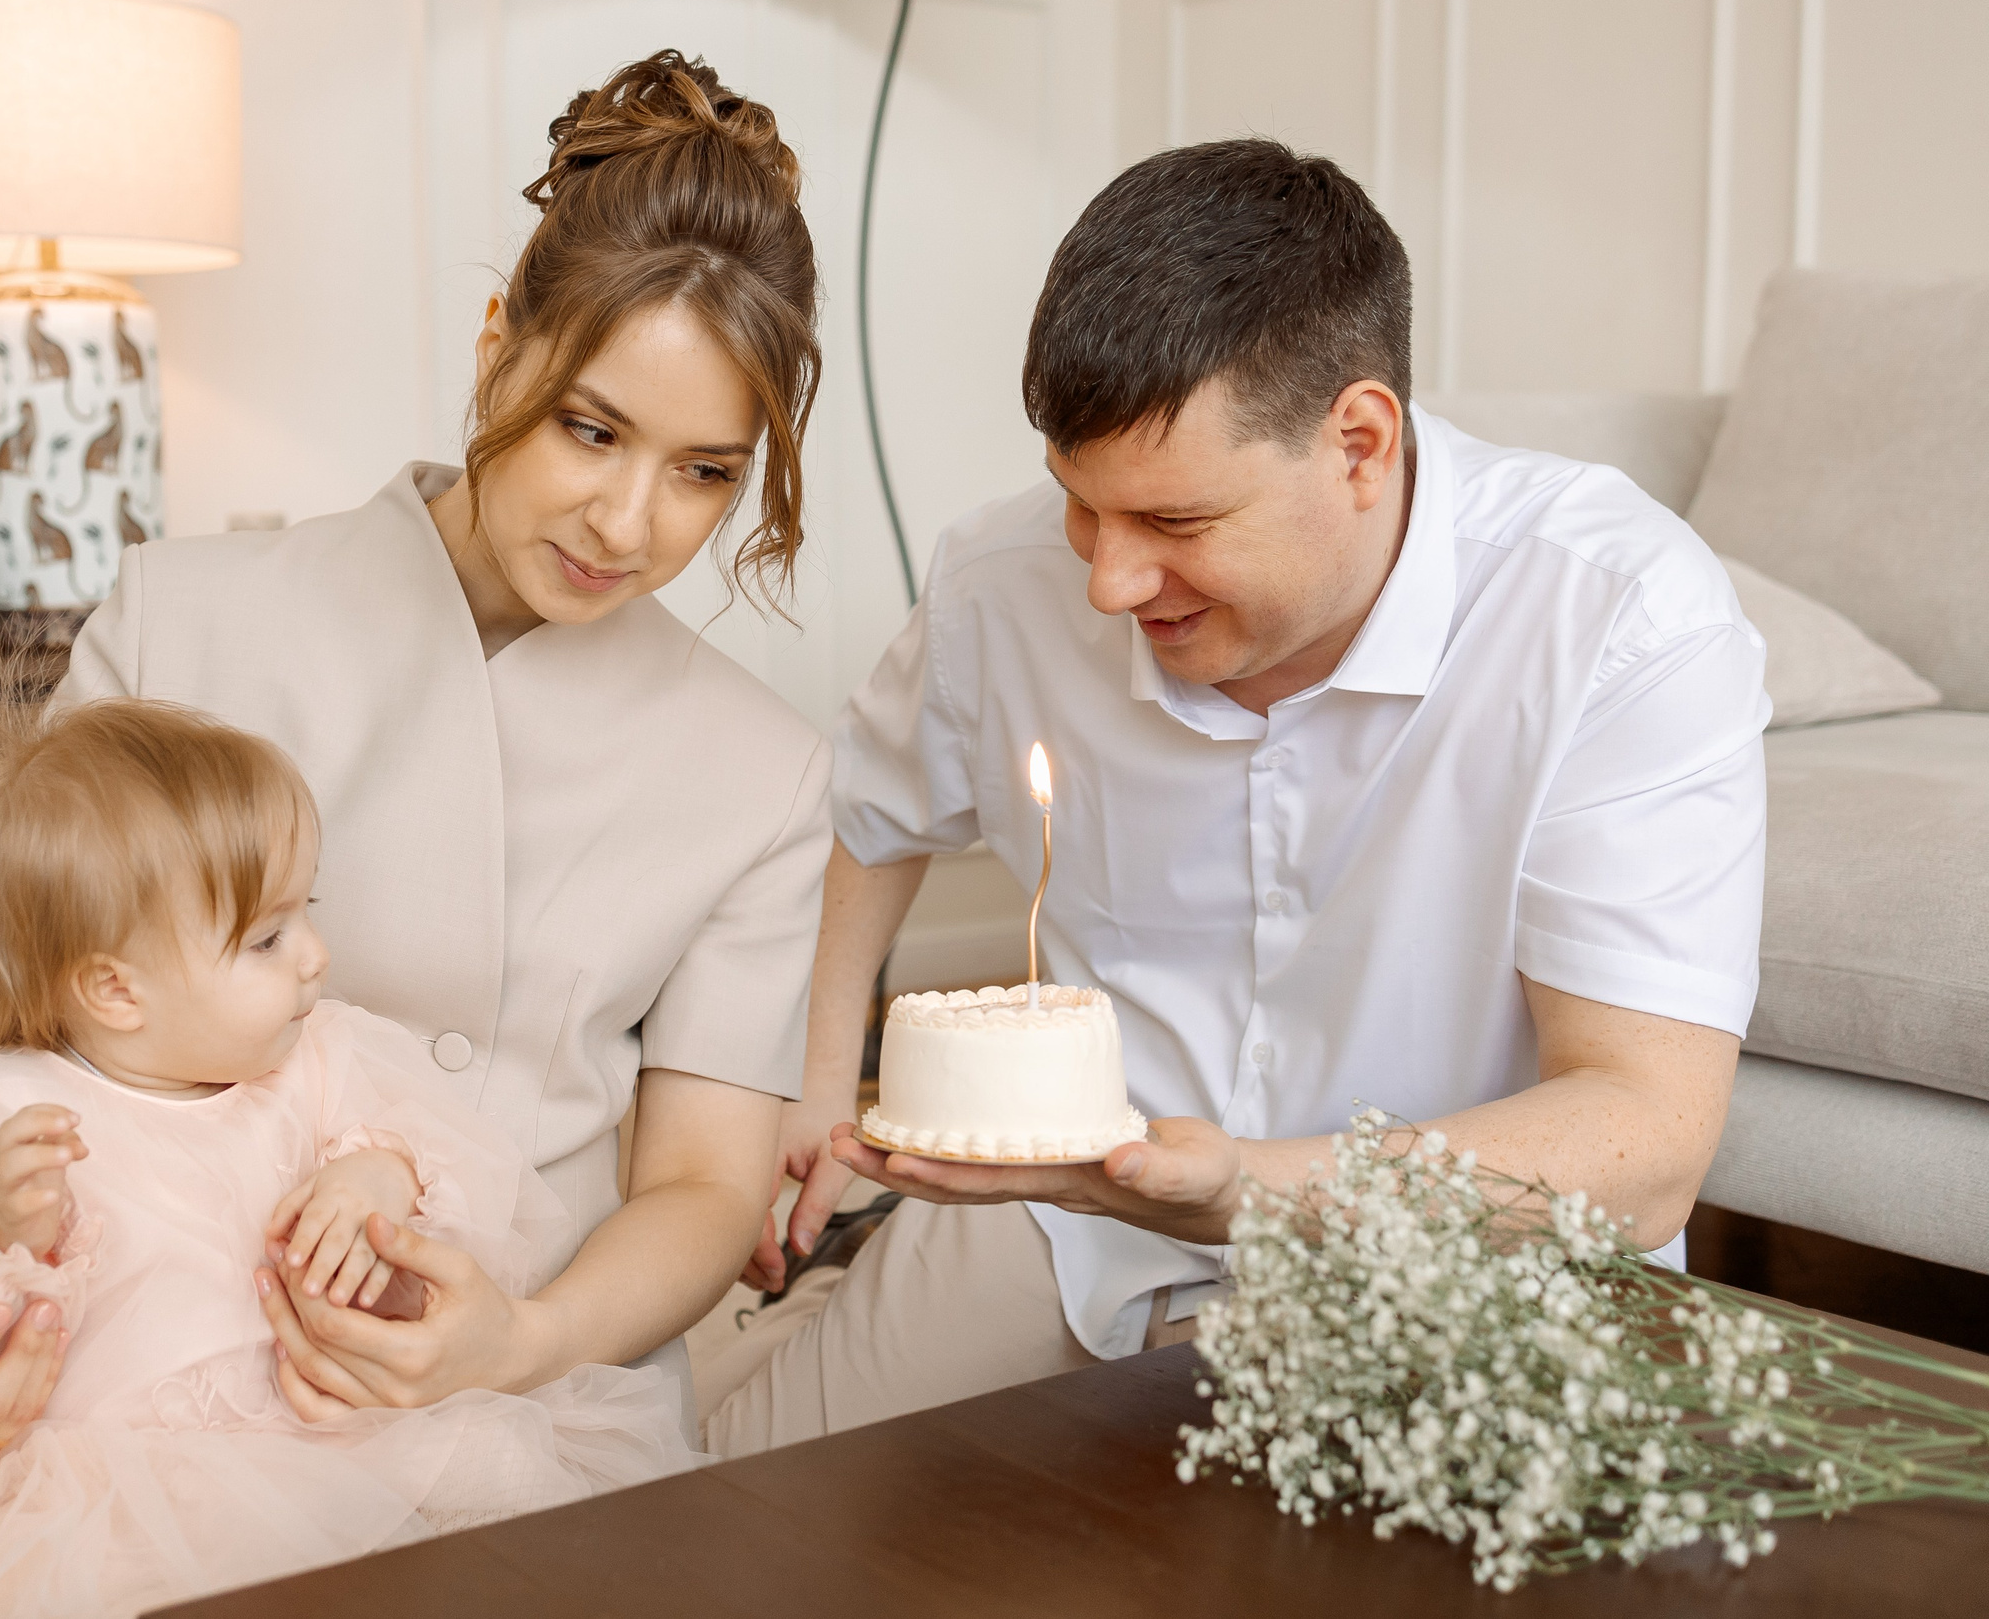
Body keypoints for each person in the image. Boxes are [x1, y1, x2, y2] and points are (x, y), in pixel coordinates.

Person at [0, 49, 830, 1483]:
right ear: (496, 350)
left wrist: (517, 1341)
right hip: (134, 1352)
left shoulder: (762, 768)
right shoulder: (187, 612)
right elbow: (31, 1040)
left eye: (705, 471)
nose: (628, 518)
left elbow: (706, 1185)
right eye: (591, 428)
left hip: (523, 1372)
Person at [706, 139, 1768, 1452]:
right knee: (737, 1498)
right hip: (1057, 1213)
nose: (1107, 580)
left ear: (1359, 442)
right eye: (1082, 509)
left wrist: (1240, 1194)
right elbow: (859, 816)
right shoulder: (1004, 579)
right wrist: (810, 1080)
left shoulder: (1617, 615)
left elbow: (1648, 1130)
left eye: (1177, 522)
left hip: (1443, 1268)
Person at [0, 701, 696, 1618]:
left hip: (330, 1427)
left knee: (522, 1498)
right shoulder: (1, 1114)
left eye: (302, 914)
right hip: (110, 1464)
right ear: (116, 988)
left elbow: (432, 1151)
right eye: (266, 939)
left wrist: (375, 1176)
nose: (314, 955)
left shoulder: (317, 1060)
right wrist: (9, 1231)